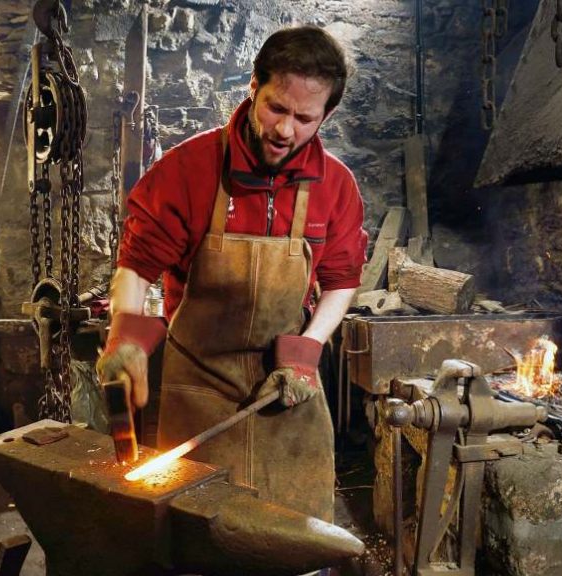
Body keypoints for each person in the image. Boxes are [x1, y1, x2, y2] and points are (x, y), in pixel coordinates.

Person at [97, 25, 368, 523]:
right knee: (199, 533)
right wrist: (126, 339)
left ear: (326, 115)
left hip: (286, 387)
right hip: (198, 384)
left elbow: (342, 280)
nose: (285, 130)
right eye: (276, 107)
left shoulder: (336, 186)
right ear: (253, 87)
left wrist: (306, 355)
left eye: (304, 118)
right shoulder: (190, 169)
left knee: (295, 532)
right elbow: (137, 266)